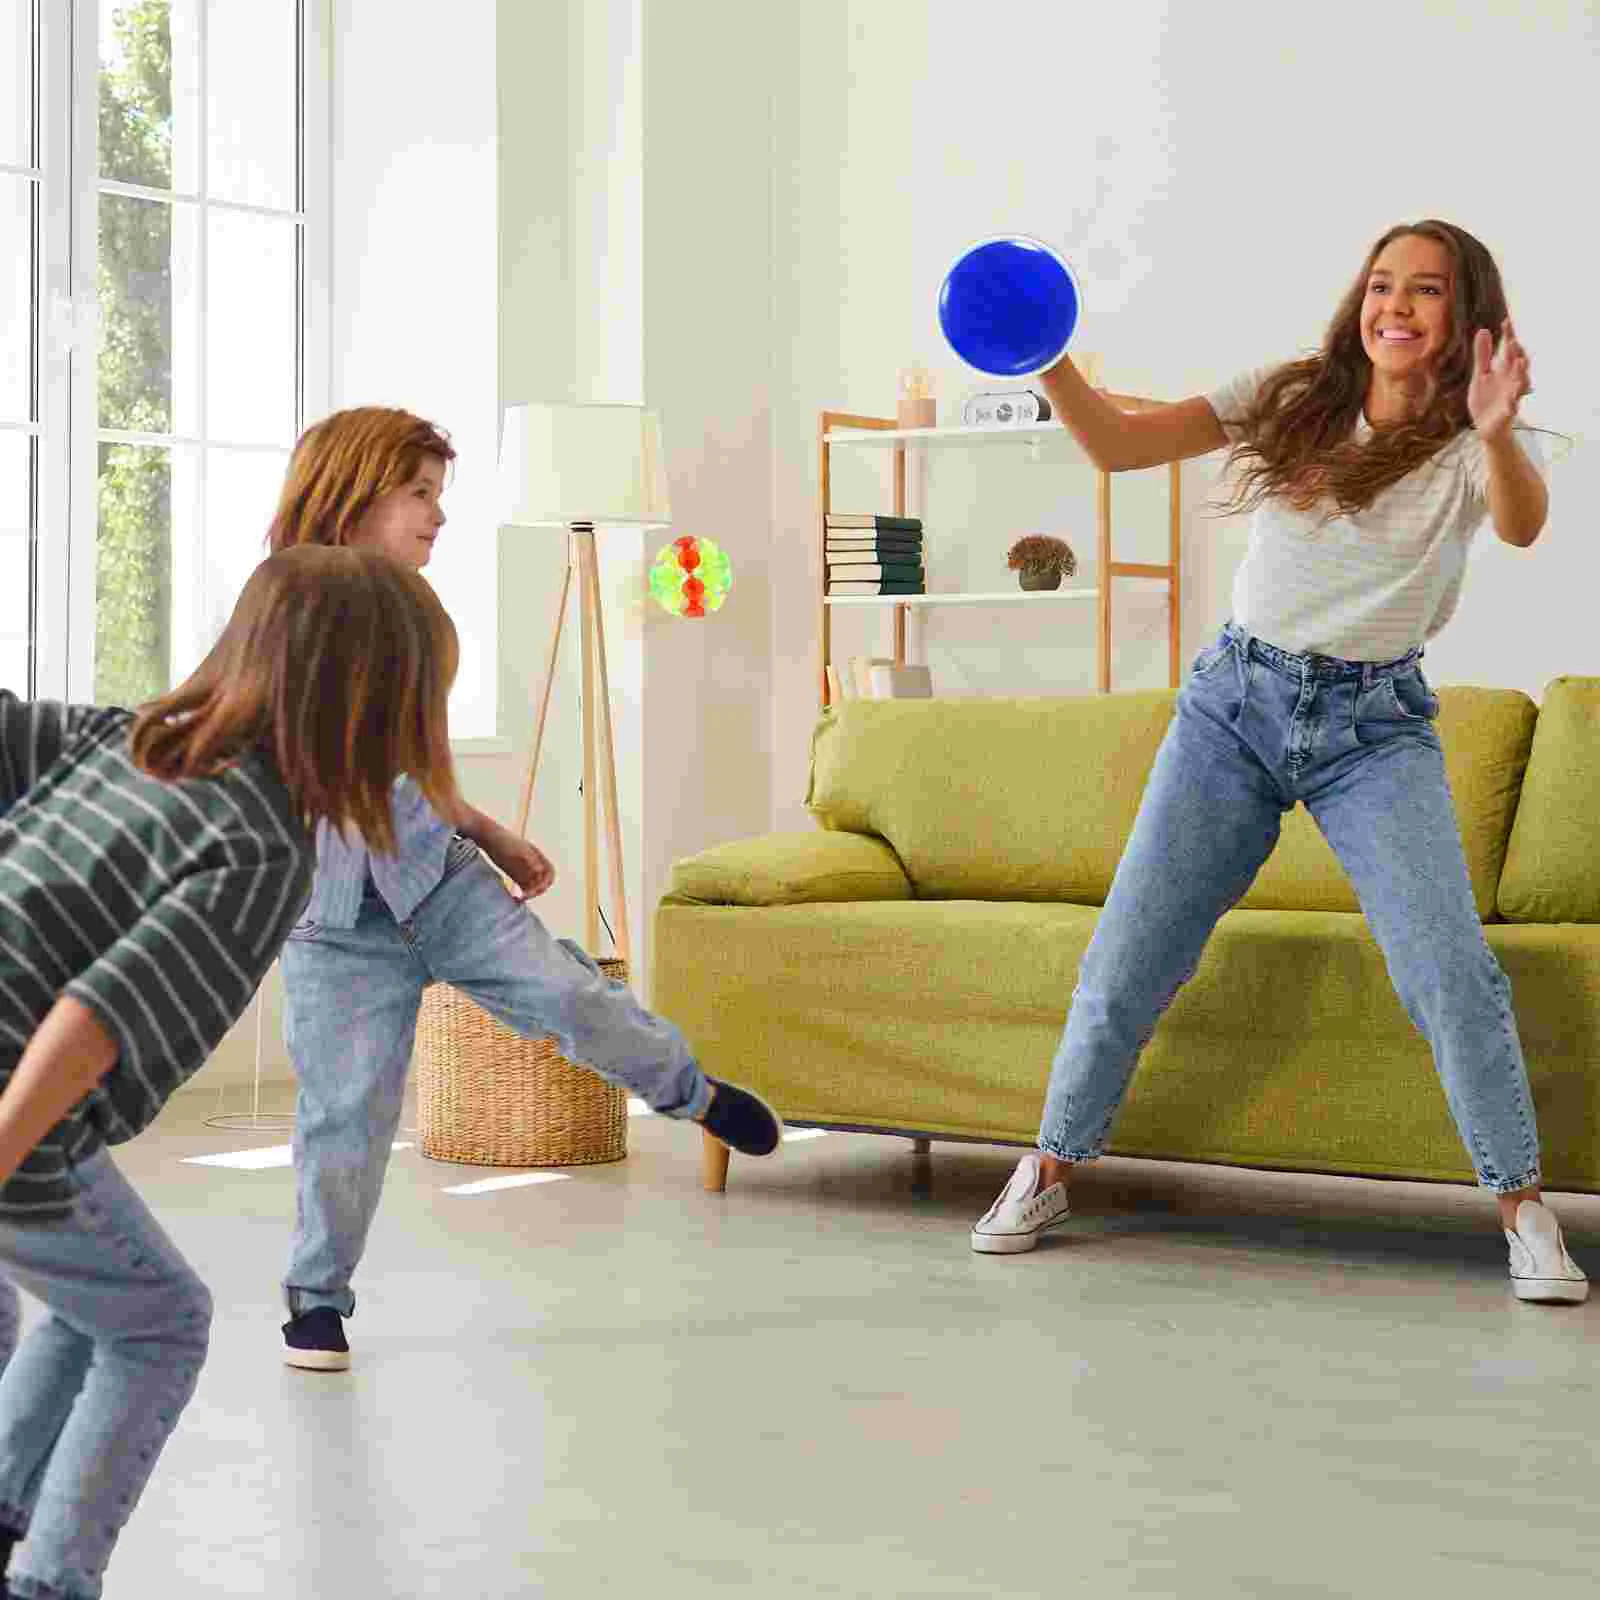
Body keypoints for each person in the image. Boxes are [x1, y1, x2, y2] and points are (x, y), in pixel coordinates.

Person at [970, 219, 1587, 1305]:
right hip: (1233, 708)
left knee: (1447, 971)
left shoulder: (1477, 439)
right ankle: (1052, 1163)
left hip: (1373, 729)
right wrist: (1045, 353)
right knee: (1130, 954)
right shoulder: (1294, 394)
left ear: (1465, 318)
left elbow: (1524, 525)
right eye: (1381, 283)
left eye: (1425, 291)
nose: (1393, 305)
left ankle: (1521, 1206)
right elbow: (1117, 445)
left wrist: (1492, 429)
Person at [266, 406, 782, 1373]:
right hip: (331, 922)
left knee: (569, 997)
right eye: (418, 494)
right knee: (346, 1111)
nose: (437, 516)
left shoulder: (420, 619)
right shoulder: (281, 615)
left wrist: (490, 831)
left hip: (439, 883)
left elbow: (413, 762)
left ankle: (693, 1093)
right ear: (351, 491)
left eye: (439, 496)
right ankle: (315, 1300)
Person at [0, 545, 465, 1600]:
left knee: (96, 1301)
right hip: (18, 1093)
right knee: (164, 1321)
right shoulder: (262, 845)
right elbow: (94, 1017)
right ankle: (52, 1582)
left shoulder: (125, 738)